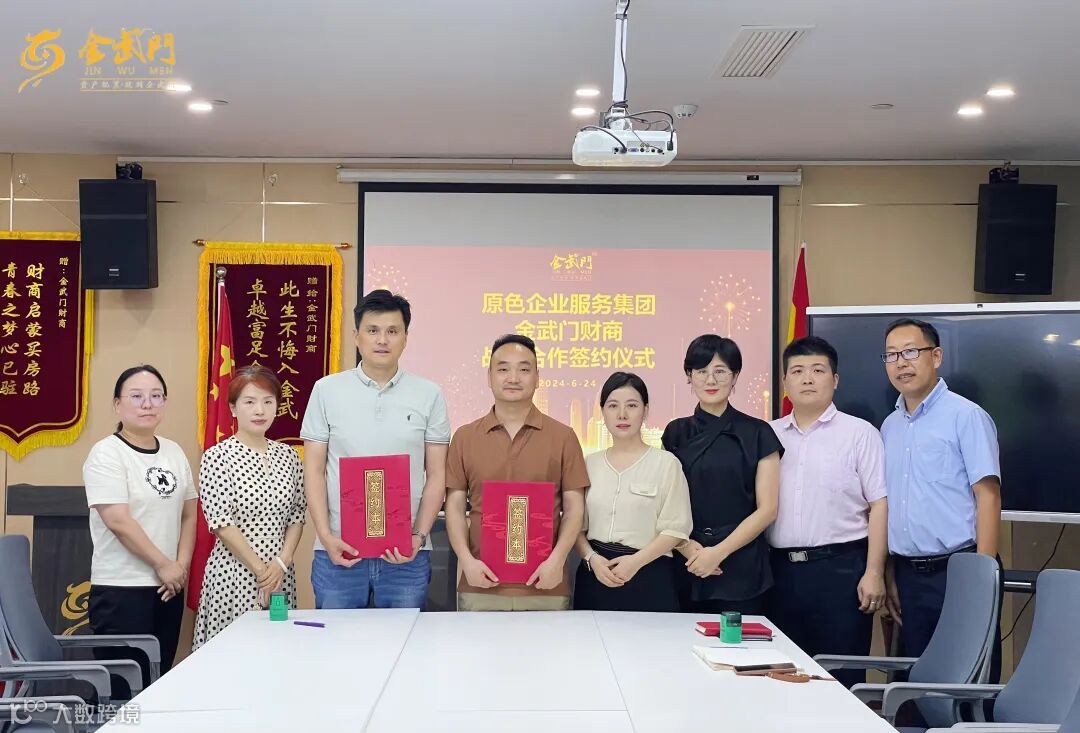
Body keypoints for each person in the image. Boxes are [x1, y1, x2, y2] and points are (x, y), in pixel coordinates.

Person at [301, 289, 450, 609]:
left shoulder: (429, 394)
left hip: (406, 556)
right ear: (356, 336)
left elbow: (437, 474)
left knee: (404, 640)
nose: (382, 340)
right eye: (373, 330)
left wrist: (418, 536)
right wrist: (325, 536)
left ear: (406, 338)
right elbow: (313, 470)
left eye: (393, 331)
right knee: (337, 640)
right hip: (338, 552)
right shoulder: (326, 390)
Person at [879, 318, 1001, 667]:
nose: (901, 363)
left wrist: (980, 577)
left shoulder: (966, 416)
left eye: (910, 352)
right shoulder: (889, 426)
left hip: (959, 568)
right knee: (915, 679)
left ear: (936, 356)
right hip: (907, 574)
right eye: (891, 355)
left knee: (966, 676)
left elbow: (988, 497)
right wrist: (889, 573)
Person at [767, 337, 887, 687]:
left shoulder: (860, 433)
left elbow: (880, 504)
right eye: (797, 371)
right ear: (785, 382)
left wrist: (874, 572)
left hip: (841, 572)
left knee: (840, 678)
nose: (807, 378)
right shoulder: (768, 435)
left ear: (835, 380)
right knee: (782, 677)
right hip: (780, 574)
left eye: (817, 370)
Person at [446, 334, 588, 611]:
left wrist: (557, 561)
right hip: (480, 585)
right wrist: (467, 560)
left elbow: (574, 509)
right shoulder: (464, 437)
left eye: (524, 369)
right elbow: (454, 507)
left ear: (537, 378)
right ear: (489, 377)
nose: (513, 378)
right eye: (503, 369)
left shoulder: (563, 437)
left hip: (545, 586)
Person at [82, 365, 196, 683]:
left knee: (158, 683)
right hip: (122, 590)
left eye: (156, 396)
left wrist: (180, 567)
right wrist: (163, 564)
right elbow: (118, 520)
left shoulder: (173, 452)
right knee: (123, 688)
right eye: (136, 396)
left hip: (168, 588)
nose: (147, 404)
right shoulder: (107, 453)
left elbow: (189, 514)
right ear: (117, 404)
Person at [661, 335, 782, 615]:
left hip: (742, 564)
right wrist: (686, 547)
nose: (710, 380)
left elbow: (768, 510)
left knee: (740, 641)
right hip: (686, 560)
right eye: (701, 371)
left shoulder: (759, 432)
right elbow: (664, 503)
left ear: (735, 376)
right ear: (689, 376)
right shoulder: (675, 432)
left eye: (720, 371)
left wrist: (718, 552)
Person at [192, 365, 306, 649]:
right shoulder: (217, 457)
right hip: (235, 574)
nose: (260, 410)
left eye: (268, 402)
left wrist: (282, 562)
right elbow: (221, 522)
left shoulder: (289, 456)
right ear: (233, 408)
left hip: (280, 575)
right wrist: (261, 571)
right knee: (233, 659)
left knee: (277, 656)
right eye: (250, 402)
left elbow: (297, 513)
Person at [573, 372, 691, 612]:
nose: (622, 414)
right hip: (596, 573)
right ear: (603, 411)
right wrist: (592, 559)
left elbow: (676, 529)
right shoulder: (589, 464)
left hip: (649, 573)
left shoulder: (666, 463)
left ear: (645, 410)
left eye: (632, 405)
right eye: (613, 406)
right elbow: (575, 526)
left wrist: (635, 562)